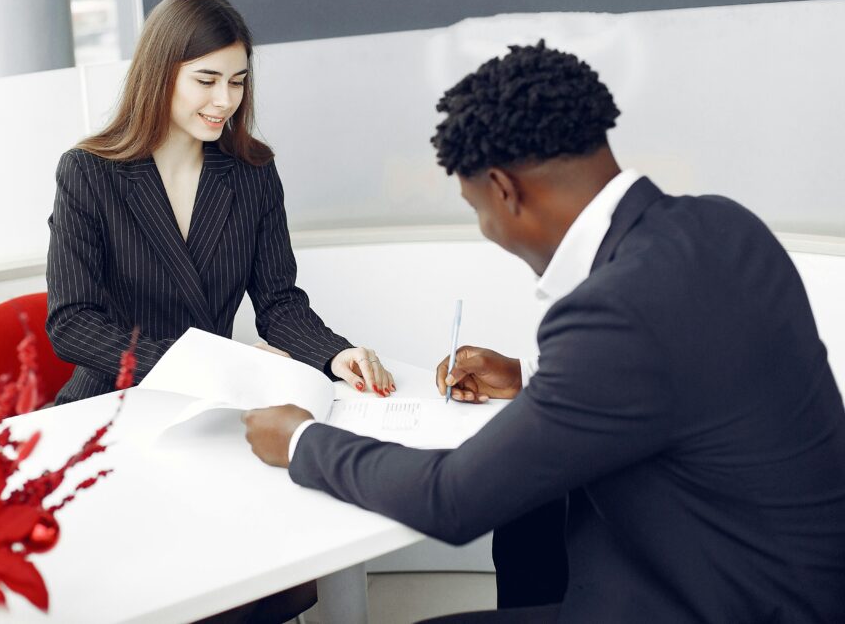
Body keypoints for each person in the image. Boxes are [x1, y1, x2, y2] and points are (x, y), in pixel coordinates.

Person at [242, 41, 845, 622]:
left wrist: (301, 440)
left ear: (504, 190)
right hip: (795, 579)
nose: (487, 228)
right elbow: (684, 371)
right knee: (530, 519)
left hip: (722, 602)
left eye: (478, 209)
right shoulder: (723, 224)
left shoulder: (616, 308)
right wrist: (528, 378)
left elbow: (451, 499)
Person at [46, 0, 394, 623]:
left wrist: (335, 354)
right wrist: (202, 366)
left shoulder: (252, 172)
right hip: (111, 410)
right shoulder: (90, 172)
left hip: (210, 414)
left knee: (257, 568)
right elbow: (72, 324)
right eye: (206, 80)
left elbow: (279, 303)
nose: (225, 101)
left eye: (237, 81)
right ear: (160, 74)